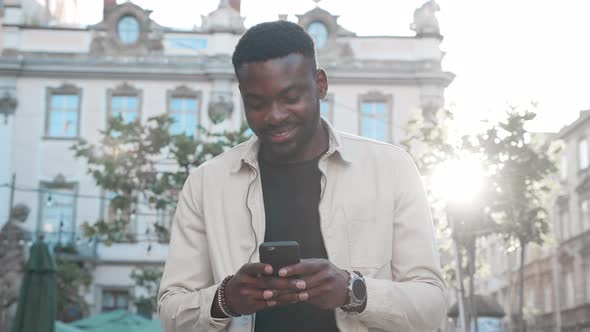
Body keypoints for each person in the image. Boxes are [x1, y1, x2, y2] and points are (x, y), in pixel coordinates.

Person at [158, 20, 447, 332]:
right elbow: (171, 311)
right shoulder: (206, 183)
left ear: (320, 84)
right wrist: (225, 298)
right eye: (257, 104)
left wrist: (353, 290)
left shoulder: (391, 168)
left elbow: (432, 306)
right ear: (242, 97)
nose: (275, 115)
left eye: (290, 97)